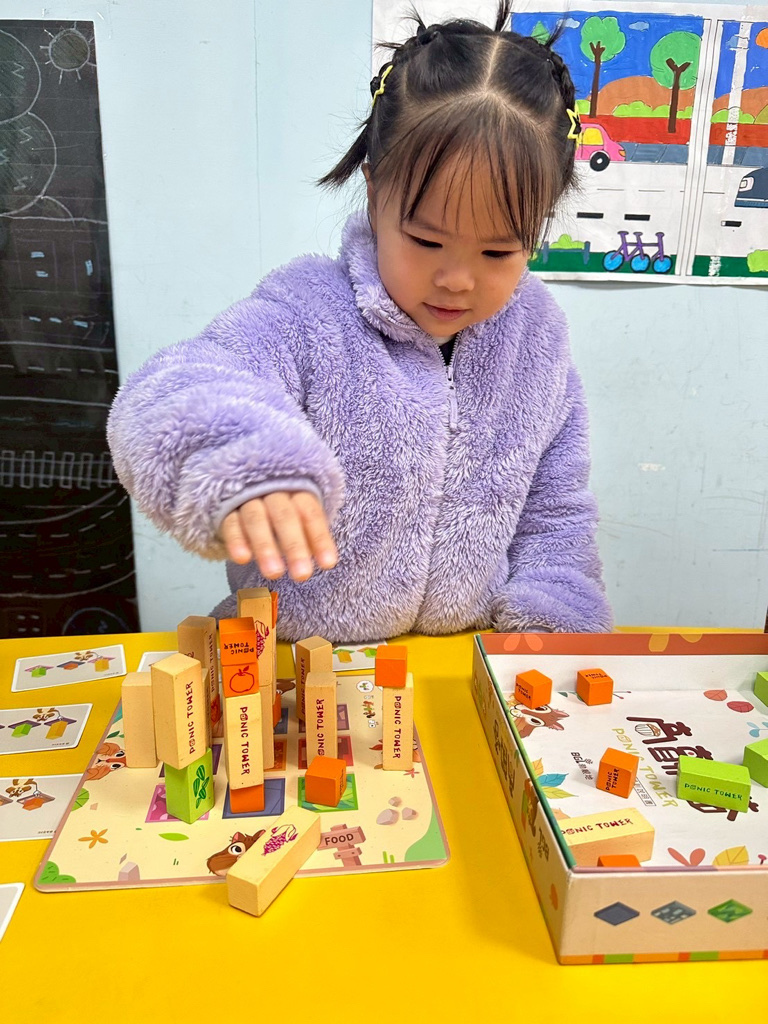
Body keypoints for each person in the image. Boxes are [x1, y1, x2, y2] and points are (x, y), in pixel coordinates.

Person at [107, 1, 612, 642]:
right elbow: (178, 386)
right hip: (295, 663)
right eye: (426, 241)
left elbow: (555, 513)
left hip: (457, 660)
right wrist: (243, 459)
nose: (457, 279)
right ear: (375, 193)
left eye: (498, 252)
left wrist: (555, 614)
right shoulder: (306, 310)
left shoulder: (536, 339)